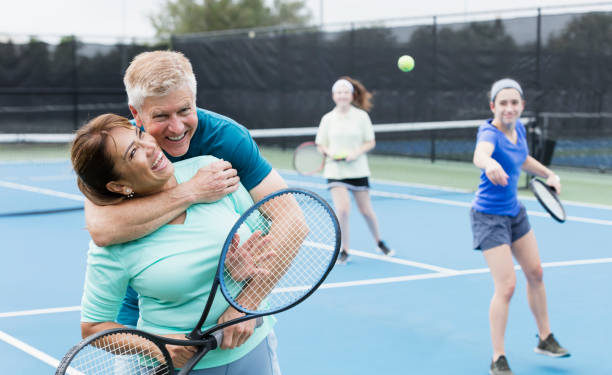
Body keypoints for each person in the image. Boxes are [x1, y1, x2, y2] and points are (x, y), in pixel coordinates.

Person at [82, 51, 288, 332]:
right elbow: (102, 229)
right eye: (161, 116)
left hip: (229, 312)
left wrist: (247, 302)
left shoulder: (227, 138)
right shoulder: (116, 149)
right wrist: (192, 191)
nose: (177, 127)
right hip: (140, 319)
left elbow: (291, 219)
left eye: (185, 110)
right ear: (136, 113)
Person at [72, 114, 282, 374]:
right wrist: (158, 347)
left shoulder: (212, 170)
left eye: (140, 135)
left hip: (252, 353)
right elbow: (94, 327)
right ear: (119, 185)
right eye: (132, 153)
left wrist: (243, 272)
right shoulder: (114, 241)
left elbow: (268, 241)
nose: (150, 146)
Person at [470, 78, 570, 375]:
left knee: (536, 273)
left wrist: (549, 173)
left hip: (514, 213)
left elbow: (522, 159)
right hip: (488, 216)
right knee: (507, 285)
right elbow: (480, 154)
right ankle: (497, 357)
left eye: (514, 103)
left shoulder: (520, 131)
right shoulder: (489, 132)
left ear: (522, 106)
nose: (509, 108)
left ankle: (544, 338)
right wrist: (488, 164)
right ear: (493, 107)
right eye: (503, 103)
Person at [315, 76, 394, 265]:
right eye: (339, 92)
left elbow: (370, 142)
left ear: (351, 95)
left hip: (358, 170)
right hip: (336, 172)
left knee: (366, 211)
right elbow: (320, 145)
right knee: (342, 210)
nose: (342, 95)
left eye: (345, 92)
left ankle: (379, 241)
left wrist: (355, 153)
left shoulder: (361, 117)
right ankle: (344, 250)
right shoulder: (327, 119)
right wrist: (329, 153)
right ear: (334, 96)